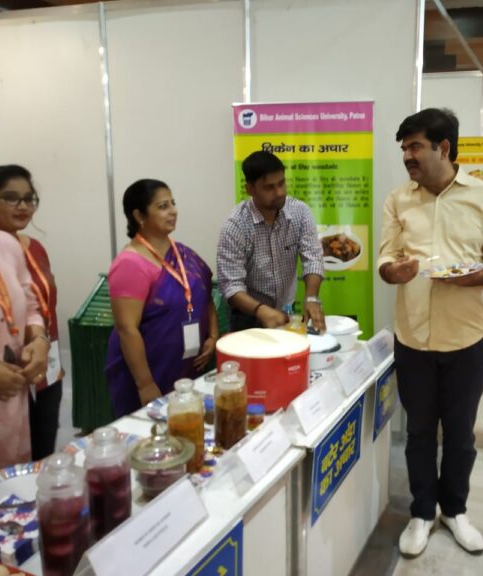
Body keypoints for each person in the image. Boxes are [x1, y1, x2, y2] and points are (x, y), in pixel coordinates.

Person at [378, 108, 483, 557]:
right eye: (404, 148)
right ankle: (422, 512)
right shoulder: (399, 199)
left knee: (459, 435)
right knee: (420, 433)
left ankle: (455, 510)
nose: (407, 156)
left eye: (415, 146)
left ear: (444, 147)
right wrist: (393, 271)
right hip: (413, 339)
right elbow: (384, 258)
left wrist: (481, 276)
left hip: (466, 340)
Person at [105, 179, 218, 417]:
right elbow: (127, 329)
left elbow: (206, 295)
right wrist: (145, 384)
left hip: (188, 369)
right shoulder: (130, 264)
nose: (173, 211)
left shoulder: (184, 253)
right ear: (139, 215)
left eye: (172, 203)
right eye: (163, 206)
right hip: (149, 375)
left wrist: (213, 335)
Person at [0, 164, 65, 459]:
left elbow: (37, 306)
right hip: (0, 378)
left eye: (29, 198)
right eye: (11, 198)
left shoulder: (31, 246)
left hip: (45, 363)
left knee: (42, 455)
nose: (23, 206)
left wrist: (40, 343)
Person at [0, 175, 49, 481]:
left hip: (10, 406)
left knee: (10, 489)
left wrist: (39, 341)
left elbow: (30, 307)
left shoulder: (1, 243)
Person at [217, 151, 325, 333]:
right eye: (269, 187)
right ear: (250, 189)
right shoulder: (235, 226)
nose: (279, 192)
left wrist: (311, 298)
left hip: (286, 309)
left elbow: (313, 258)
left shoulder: (300, 212)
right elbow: (231, 286)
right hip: (248, 315)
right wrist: (261, 311)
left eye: (282, 183)